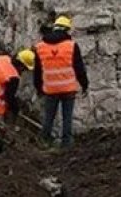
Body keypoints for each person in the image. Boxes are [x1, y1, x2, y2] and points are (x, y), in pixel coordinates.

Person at [34, 15, 89, 148]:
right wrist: (85, 84)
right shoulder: (71, 46)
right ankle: (67, 143)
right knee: (67, 117)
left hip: (50, 89)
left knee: (49, 117)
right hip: (68, 88)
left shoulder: (40, 47)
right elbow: (79, 67)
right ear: (67, 30)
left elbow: (37, 71)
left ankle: (44, 141)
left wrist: (39, 88)